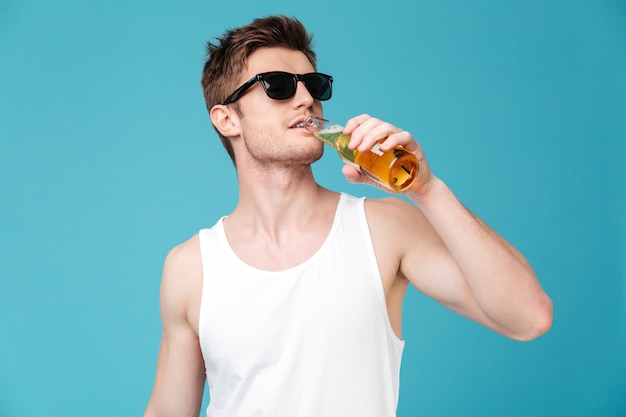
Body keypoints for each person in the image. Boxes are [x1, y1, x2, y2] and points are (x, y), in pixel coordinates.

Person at [143, 15, 552, 417]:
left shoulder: (384, 229)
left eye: (315, 85)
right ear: (227, 118)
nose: (306, 99)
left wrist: (426, 191)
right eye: (279, 86)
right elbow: (167, 411)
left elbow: (528, 317)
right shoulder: (191, 268)